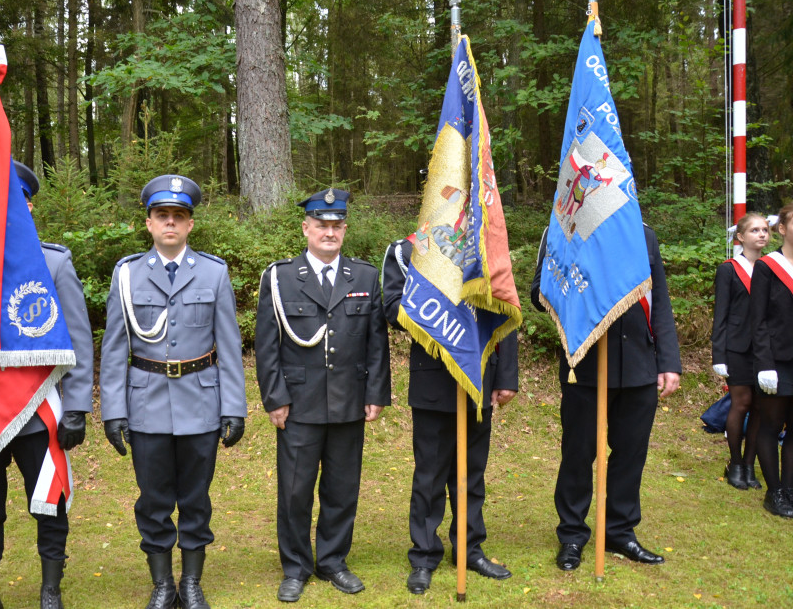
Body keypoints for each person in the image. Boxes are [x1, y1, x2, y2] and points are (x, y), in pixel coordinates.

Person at [100, 175, 247, 609]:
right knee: (154, 499)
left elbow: (229, 346)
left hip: (201, 402)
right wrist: (113, 411)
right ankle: (163, 584)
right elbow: (113, 347)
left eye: (178, 216)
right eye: (162, 215)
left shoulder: (213, 272)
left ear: (190, 224)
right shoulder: (127, 275)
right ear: (148, 223)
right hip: (145, 403)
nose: (170, 223)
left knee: (197, 498)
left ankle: (193, 583)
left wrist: (233, 407)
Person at [255, 189, 391, 603]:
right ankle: (296, 566)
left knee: (341, 487)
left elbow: (376, 342)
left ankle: (332, 560)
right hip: (298, 404)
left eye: (336, 225)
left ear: (345, 229)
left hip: (349, 401)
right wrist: (275, 398)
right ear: (306, 228)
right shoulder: (280, 278)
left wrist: (376, 394)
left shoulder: (365, 277)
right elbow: (267, 345)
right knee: (295, 490)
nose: (328, 232)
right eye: (321, 225)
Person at [531, 223, 681, 571]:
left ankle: (619, 531)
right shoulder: (566, 227)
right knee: (579, 454)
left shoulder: (644, 233)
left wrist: (668, 361)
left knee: (631, 454)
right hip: (585, 363)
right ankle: (571, 533)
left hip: (640, 365)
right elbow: (540, 292)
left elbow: (658, 300)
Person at [0, 161, 94, 609]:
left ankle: (50, 590)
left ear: (27, 205)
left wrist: (78, 407)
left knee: (50, 502)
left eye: (15, 201)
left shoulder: (53, 262)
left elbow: (78, 340)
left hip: (36, 411)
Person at [382, 237, 518, 593]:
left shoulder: (483, 246)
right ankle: (424, 555)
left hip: (478, 377)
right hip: (433, 381)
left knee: (471, 473)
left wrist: (506, 377)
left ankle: (469, 549)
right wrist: (439, 311)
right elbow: (391, 306)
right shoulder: (408, 249)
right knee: (429, 475)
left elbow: (503, 308)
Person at [711, 212, 771, 490]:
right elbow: (720, 314)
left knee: (761, 407)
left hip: (765, 349)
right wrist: (718, 354)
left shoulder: (773, 267)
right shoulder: (729, 269)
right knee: (741, 403)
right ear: (740, 237)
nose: (761, 235)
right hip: (736, 347)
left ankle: (749, 466)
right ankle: (735, 462)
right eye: (755, 230)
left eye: (765, 230)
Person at [749, 202, 793, 518]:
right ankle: (774, 492)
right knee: (770, 425)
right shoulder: (768, 266)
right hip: (776, 360)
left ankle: (789, 489)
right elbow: (758, 319)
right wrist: (764, 363)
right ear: (782, 229)